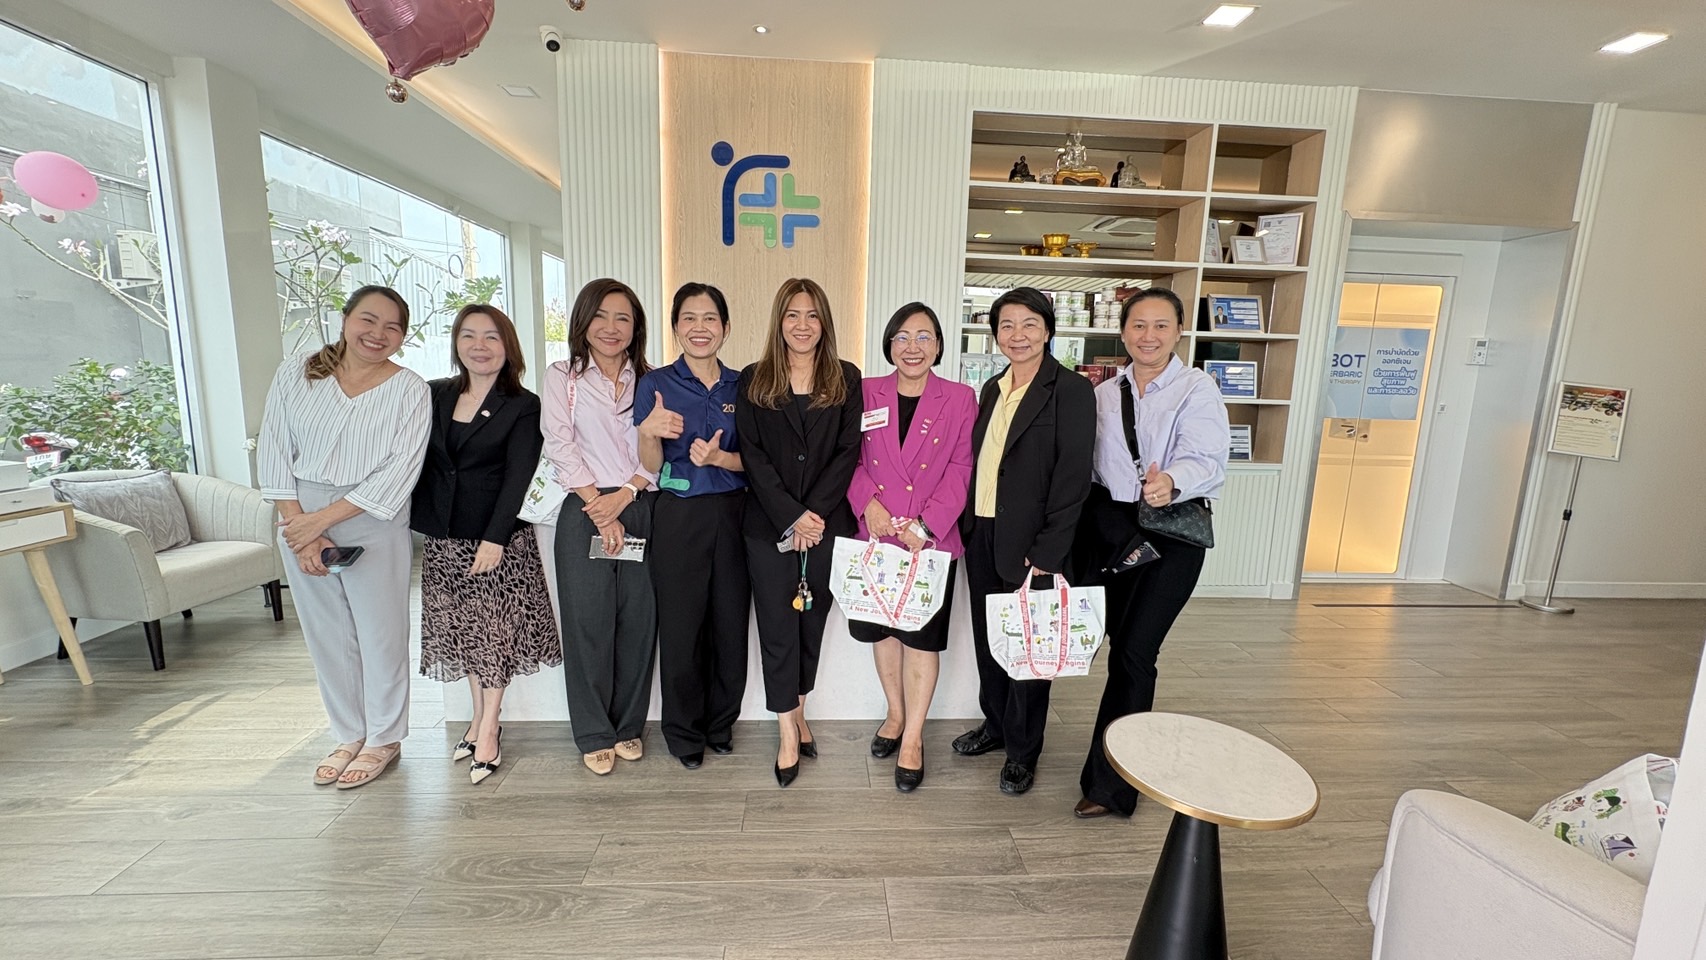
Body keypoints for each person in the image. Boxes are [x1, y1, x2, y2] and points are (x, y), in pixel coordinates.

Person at [257, 285, 430, 789]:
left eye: (392, 327)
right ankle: (349, 732)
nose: (378, 334)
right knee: (327, 633)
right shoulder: (297, 372)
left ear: (403, 336)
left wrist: (321, 521)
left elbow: (401, 468)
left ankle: (384, 738)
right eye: (368, 320)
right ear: (346, 318)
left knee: (381, 633)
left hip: (371, 515)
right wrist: (301, 525)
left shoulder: (409, 389)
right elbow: (273, 448)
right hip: (298, 513)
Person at [1074, 288, 1229, 819]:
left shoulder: (1196, 388)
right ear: (1123, 331)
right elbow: (1089, 466)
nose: (1149, 336)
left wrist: (1172, 480)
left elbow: (1209, 458)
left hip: (1171, 533)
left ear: (1179, 332)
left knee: (1135, 654)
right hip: (1113, 531)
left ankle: (1112, 786)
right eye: (1139, 325)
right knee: (1110, 645)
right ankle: (1115, 756)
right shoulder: (1102, 393)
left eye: (1161, 325)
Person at [411, 304, 561, 785]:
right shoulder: (435, 393)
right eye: (469, 335)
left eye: (491, 336)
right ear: (456, 343)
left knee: (493, 635)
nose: (479, 346)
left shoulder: (522, 404)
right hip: (443, 537)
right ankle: (476, 720)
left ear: (508, 346)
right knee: (466, 634)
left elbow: (519, 477)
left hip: (497, 540)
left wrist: (495, 538)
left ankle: (491, 727)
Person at [954, 286, 1095, 796]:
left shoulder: (1071, 390)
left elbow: (1073, 477)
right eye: (1007, 326)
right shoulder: (992, 388)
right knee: (992, 639)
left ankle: (1022, 751)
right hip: (982, 531)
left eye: (1029, 324)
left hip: (1034, 543)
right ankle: (995, 725)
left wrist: (1050, 550)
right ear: (995, 334)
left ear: (1049, 330)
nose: (1018, 335)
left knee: (1031, 649)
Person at [736, 277, 862, 788]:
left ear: (824, 322)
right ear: (779, 321)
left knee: (811, 624)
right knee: (777, 629)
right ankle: (787, 730)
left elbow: (848, 452)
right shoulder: (755, 379)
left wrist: (814, 515)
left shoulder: (846, 378)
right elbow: (753, 456)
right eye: (792, 315)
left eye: (812, 315)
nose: (802, 325)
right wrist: (792, 515)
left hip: (828, 527)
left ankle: (799, 710)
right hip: (768, 527)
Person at [845, 302, 976, 792]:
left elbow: (962, 467)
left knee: (920, 639)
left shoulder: (960, 397)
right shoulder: (865, 392)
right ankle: (895, 714)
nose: (912, 347)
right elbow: (848, 457)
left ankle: (914, 737)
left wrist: (926, 524)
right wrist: (868, 505)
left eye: (923, 337)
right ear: (889, 345)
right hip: (876, 535)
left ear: (938, 345)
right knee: (883, 633)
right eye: (902, 337)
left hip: (928, 541)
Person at [541, 278, 657, 776]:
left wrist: (624, 497)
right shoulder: (562, 377)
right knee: (588, 622)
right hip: (584, 508)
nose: (611, 328)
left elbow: (658, 450)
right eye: (601, 316)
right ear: (583, 321)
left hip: (638, 502)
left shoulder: (651, 380)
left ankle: (629, 725)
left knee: (638, 621)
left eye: (623, 318)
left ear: (636, 328)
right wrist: (598, 505)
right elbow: (559, 443)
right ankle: (593, 731)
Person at [633, 283, 749, 770]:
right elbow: (650, 465)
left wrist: (722, 458)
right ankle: (683, 733)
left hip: (735, 512)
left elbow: (758, 461)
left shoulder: (744, 385)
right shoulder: (656, 384)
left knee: (730, 624)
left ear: (725, 327)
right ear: (676, 327)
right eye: (689, 318)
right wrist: (649, 432)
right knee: (682, 628)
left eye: (710, 319)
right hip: (679, 514)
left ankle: (720, 724)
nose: (700, 328)